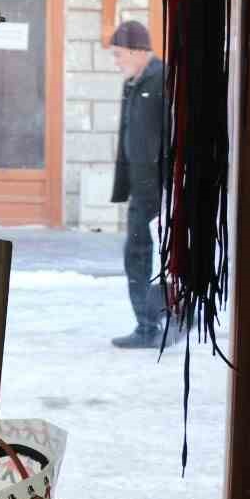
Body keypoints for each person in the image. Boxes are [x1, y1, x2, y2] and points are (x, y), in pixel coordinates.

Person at [107, 20, 168, 349]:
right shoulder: (133, 83)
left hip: (159, 189)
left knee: (148, 255)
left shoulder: (163, 78)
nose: (116, 61)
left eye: (118, 54)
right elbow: (126, 138)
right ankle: (148, 322)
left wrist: (172, 187)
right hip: (141, 189)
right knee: (137, 254)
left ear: (136, 51)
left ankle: (152, 325)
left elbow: (175, 136)